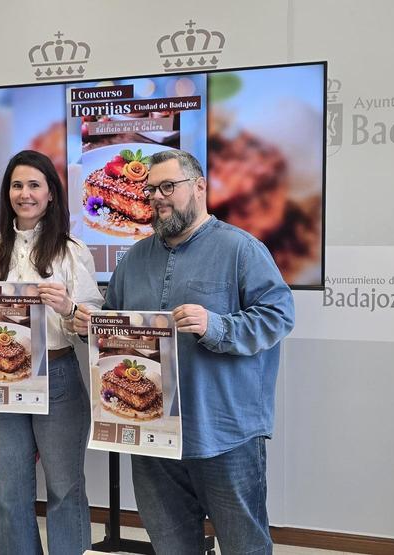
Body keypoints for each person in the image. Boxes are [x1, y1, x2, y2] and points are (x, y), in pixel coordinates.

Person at [74, 149, 295, 554]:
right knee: (171, 545)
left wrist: (217, 325)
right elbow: (114, 328)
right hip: (151, 434)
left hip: (224, 434)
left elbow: (278, 316)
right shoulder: (134, 258)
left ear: (199, 187)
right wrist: (90, 328)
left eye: (167, 187)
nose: (157, 197)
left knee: (244, 546)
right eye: (151, 189)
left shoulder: (241, 249)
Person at [0, 150, 102, 555]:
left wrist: (69, 308)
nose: (25, 194)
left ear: (51, 194)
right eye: (17, 185)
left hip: (58, 378)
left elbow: (91, 323)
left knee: (65, 489)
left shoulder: (72, 250)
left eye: (34, 185)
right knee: (10, 492)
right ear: (7, 193)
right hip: (1, 380)